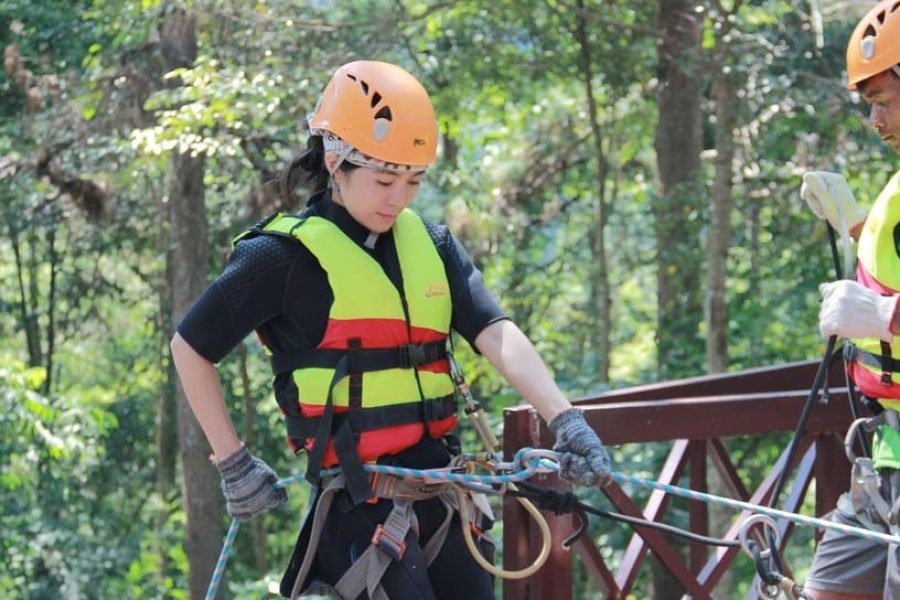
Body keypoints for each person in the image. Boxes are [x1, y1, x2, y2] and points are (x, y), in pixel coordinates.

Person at [170, 60, 611, 599]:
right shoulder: (278, 258)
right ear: (336, 161)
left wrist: (565, 418)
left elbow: (494, 330)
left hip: (445, 502)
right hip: (356, 511)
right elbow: (189, 347)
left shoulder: (433, 245)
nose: (399, 198)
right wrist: (232, 460)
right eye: (384, 179)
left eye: (413, 181)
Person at [799, 2, 900, 597]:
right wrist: (855, 224)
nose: (873, 119)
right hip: (883, 458)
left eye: (884, 100)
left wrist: (885, 317)